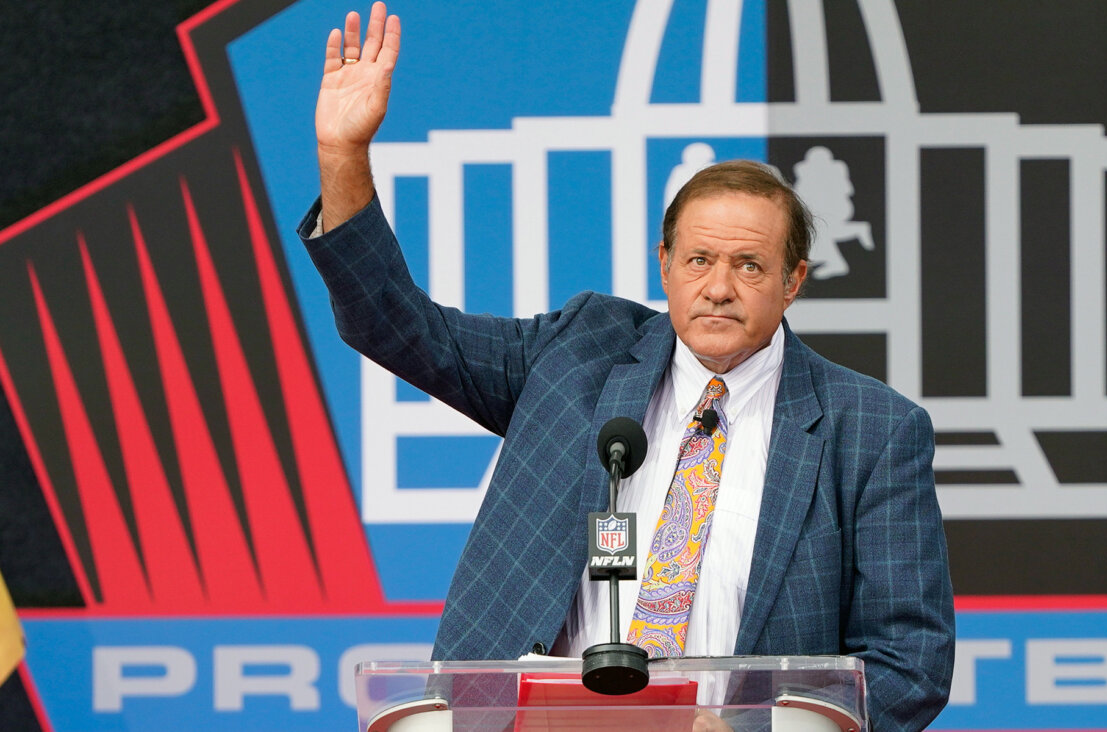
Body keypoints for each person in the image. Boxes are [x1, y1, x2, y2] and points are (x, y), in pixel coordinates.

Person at [301, 4, 953, 729]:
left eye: (750, 265)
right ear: (664, 265)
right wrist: (343, 157)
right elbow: (394, 325)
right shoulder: (579, 352)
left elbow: (909, 663)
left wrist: (753, 731)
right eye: (699, 260)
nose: (719, 287)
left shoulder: (870, 429)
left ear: (794, 280)